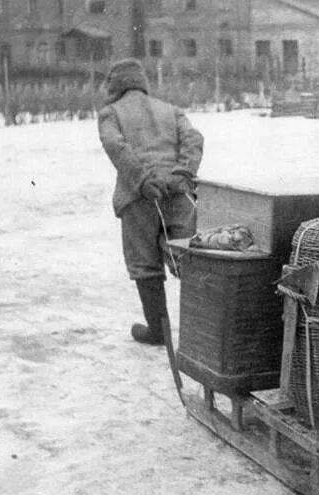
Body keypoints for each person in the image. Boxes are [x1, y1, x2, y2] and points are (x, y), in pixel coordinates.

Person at [98, 59, 204, 345]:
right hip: (177, 193)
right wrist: (183, 173)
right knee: (189, 261)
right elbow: (193, 139)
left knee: (144, 263)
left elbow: (116, 147)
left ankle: (159, 331)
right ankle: (203, 334)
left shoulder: (110, 113)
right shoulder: (171, 110)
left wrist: (143, 180)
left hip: (138, 196)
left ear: (114, 85)